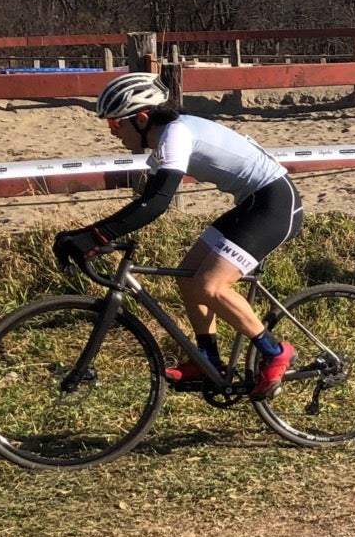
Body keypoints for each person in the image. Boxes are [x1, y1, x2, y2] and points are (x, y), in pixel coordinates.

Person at [53, 73, 303, 400]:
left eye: (116, 126)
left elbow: (156, 204)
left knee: (210, 285)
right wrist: (88, 234)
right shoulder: (163, 143)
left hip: (274, 204)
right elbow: (145, 203)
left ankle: (274, 351)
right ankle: (208, 360)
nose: (113, 134)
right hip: (253, 202)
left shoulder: (176, 134)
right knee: (188, 278)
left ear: (141, 119)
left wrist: (94, 236)